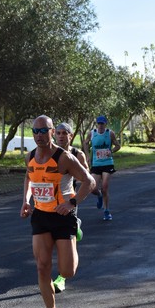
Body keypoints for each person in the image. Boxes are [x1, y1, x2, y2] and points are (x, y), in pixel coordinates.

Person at [20, 115, 95, 308]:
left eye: (44, 131)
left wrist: (72, 203)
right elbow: (29, 177)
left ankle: (76, 230)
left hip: (63, 217)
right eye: (35, 131)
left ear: (52, 132)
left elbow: (89, 182)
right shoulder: (30, 156)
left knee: (67, 271)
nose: (39, 135)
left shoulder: (64, 158)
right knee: (42, 266)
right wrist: (25, 201)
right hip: (41, 216)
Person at [52, 121, 102, 294]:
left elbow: (86, 178)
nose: (60, 136)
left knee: (65, 240)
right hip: (51, 202)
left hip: (70, 200)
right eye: (57, 133)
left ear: (70, 135)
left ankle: (61, 278)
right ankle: (77, 225)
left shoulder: (77, 154)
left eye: (64, 133)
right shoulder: (51, 153)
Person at [84, 115, 120, 221]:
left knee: (104, 187)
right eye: (98, 123)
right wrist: (87, 155)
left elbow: (117, 145)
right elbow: (86, 143)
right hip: (96, 164)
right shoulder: (92, 133)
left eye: (102, 123)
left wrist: (111, 151)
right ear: (96, 124)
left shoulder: (110, 133)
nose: (100, 125)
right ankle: (99, 195)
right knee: (92, 188)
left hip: (107, 163)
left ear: (105, 124)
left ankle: (106, 211)